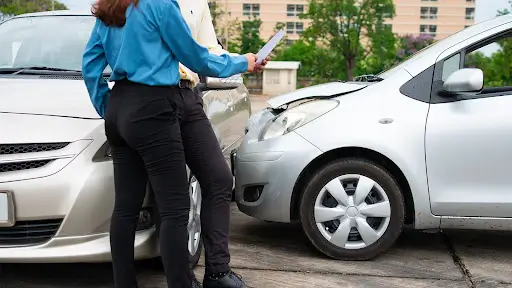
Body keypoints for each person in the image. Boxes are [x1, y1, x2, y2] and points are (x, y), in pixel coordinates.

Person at [81, 0, 263, 287]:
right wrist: (244, 62)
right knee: (175, 209)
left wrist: (112, 109)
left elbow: (90, 65)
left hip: (120, 105)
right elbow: (196, 58)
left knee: (125, 208)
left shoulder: (109, 7)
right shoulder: (161, 6)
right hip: (153, 106)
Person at [149, 0, 269, 287]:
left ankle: (217, 272)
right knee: (174, 200)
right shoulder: (138, 5)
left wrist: (243, 60)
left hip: (188, 96)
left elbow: (208, 50)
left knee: (218, 178)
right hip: (151, 99)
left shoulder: (196, 2)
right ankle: (182, 281)